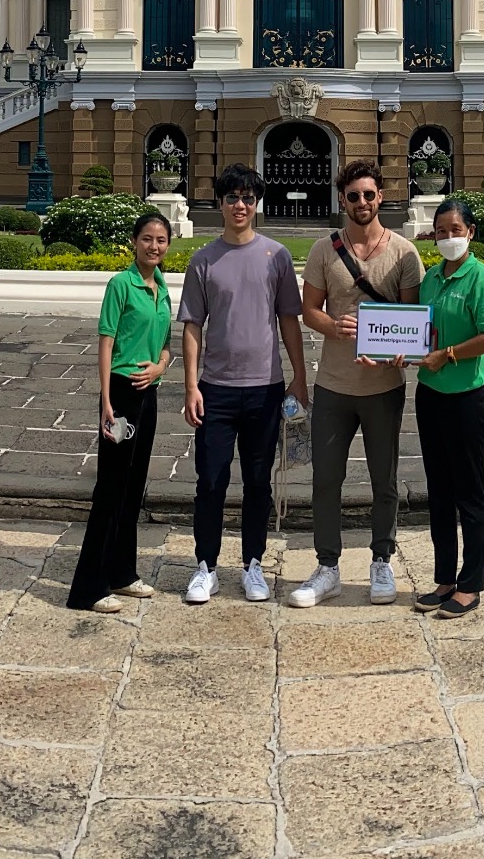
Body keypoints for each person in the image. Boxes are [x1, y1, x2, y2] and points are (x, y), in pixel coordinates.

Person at [288, 159, 422, 608]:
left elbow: (410, 320)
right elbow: (310, 311)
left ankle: (381, 559)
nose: (361, 202)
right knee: (326, 479)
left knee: (384, 480)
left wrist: (403, 348)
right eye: (353, 196)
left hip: (384, 385)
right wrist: (335, 328)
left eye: (369, 194)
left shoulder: (403, 252)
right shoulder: (325, 250)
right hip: (334, 385)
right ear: (341, 200)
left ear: (380, 196)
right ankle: (328, 566)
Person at [176, 163, 308, 603]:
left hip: (265, 387)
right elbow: (192, 326)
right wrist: (191, 385)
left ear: (257, 204)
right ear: (220, 203)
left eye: (248, 198)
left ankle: (253, 563)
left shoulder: (277, 256)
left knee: (257, 481)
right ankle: (206, 565)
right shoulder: (204, 259)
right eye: (232, 197)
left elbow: (289, 321)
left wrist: (299, 379)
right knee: (210, 480)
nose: (240, 205)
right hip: (216, 388)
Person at [68, 213, 176, 613]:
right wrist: (106, 399)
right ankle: (88, 587)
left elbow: (166, 343)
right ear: (134, 242)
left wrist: (162, 367)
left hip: (148, 392)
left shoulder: (161, 287)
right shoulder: (121, 284)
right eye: (147, 239)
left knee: (133, 487)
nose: (154, 246)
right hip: (120, 393)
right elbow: (106, 342)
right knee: (111, 489)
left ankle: (122, 572)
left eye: (161, 240)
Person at [412, 197, 484, 619]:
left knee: (468, 490)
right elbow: (417, 329)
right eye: (441, 231)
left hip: (467, 396)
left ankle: (471, 584)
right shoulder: (431, 277)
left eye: (455, 230)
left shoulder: (480, 278)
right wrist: (401, 349)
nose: (448, 237)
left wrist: (448, 354)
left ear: (470, 232)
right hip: (430, 393)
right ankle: (444, 578)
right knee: (439, 491)